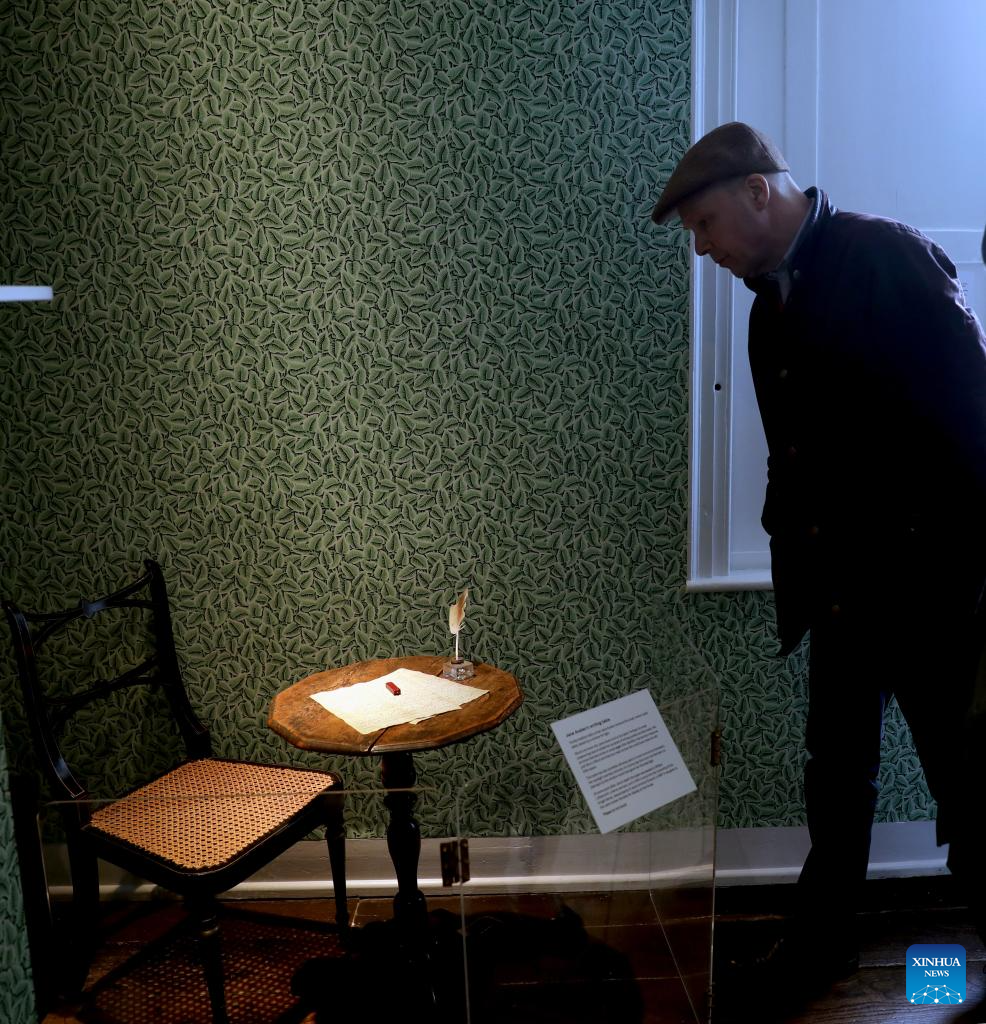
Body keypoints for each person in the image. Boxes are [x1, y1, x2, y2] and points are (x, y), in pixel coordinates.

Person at [651, 122, 986, 997]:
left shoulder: (887, 257)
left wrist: (951, 575)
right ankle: (818, 954)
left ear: (758, 192)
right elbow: (792, 458)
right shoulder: (770, 308)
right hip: (839, 597)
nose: (702, 247)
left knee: (971, 786)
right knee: (835, 786)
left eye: (705, 224)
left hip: (930, 595)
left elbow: (975, 426)